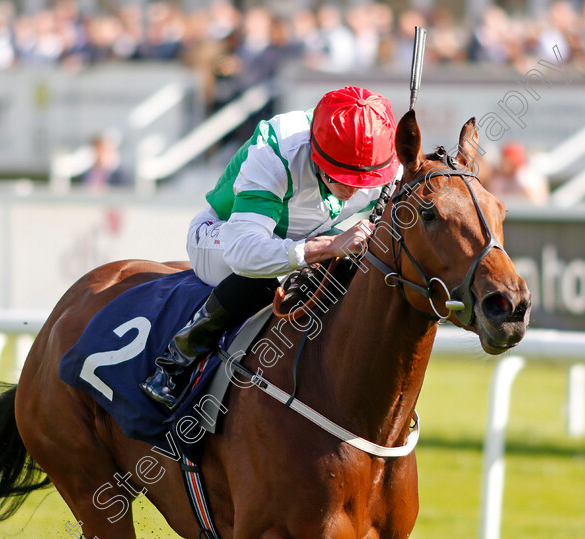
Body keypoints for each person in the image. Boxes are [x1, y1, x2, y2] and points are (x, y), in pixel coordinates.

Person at [141, 86, 401, 409]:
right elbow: (244, 252)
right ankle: (176, 361)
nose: (353, 188)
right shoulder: (278, 148)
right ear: (318, 155)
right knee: (269, 272)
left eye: (364, 180)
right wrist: (328, 246)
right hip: (222, 237)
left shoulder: (382, 152)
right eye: (342, 178)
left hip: (307, 234)